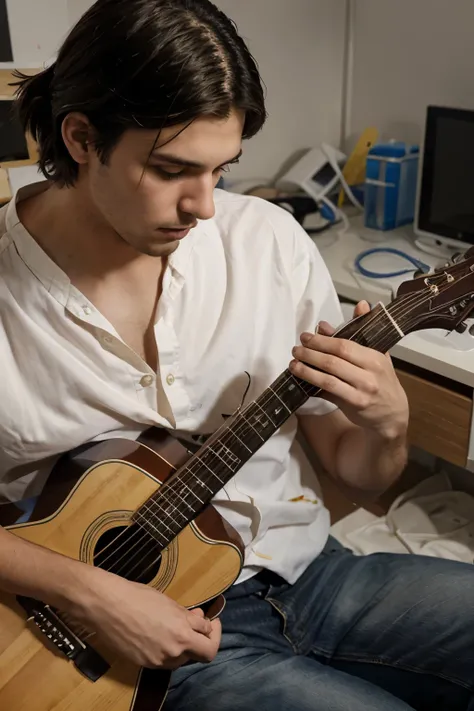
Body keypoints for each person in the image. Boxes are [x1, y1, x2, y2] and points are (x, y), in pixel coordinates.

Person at [0, 1, 473, 710]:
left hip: (312, 570)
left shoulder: (270, 243)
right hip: (123, 637)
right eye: (171, 169)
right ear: (81, 138)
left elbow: (359, 470)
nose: (207, 207)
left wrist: (387, 424)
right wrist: (93, 594)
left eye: (223, 170)